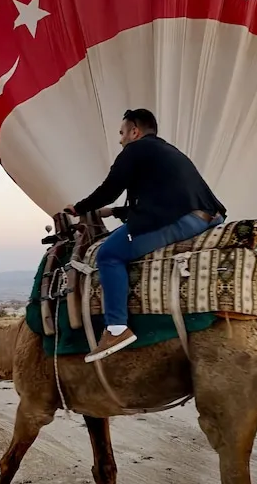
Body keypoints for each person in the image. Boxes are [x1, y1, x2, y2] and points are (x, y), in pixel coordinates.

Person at [66, 109, 226, 363]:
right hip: (209, 215)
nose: (120, 140)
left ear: (134, 132)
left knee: (108, 254)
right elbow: (161, 202)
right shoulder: (167, 152)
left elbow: (110, 188)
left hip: (186, 220)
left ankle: (116, 329)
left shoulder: (135, 150)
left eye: (122, 133)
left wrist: (79, 207)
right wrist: (114, 212)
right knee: (123, 237)